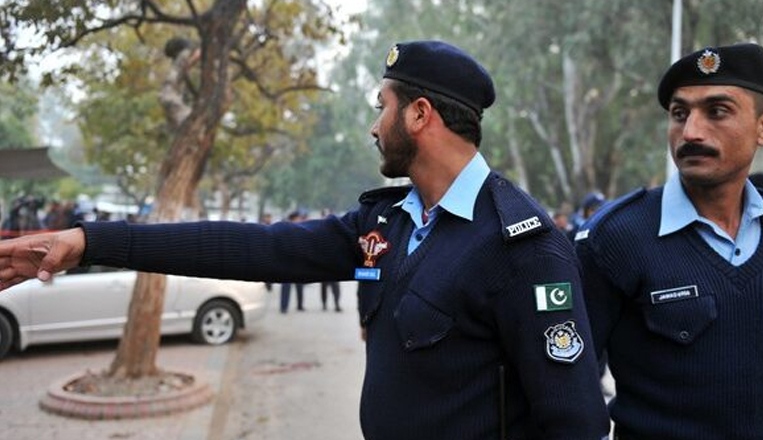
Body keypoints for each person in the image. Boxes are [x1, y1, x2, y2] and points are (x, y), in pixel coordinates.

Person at [0, 40, 608, 440]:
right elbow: (255, 248)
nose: (374, 127)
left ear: (420, 115)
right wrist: (89, 242)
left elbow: (575, 421)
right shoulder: (390, 222)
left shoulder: (522, 245)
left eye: (382, 108)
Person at [575, 43, 763, 440]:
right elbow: (567, 381)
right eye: (679, 113)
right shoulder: (616, 238)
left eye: (717, 112)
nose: (691, 132)